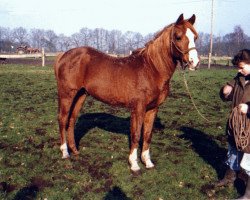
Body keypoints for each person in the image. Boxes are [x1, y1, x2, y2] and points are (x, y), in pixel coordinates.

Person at [217, 49, 250, 199]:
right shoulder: (239, 78)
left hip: (249, 128)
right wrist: (225, 92)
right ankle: (229, 177)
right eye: (238, 67)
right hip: (235, 126)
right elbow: (229, 94)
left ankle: (248, 194)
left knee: (249, 160)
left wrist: (249, 108)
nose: (239, 69)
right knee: (233, 152)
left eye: (242, 66)